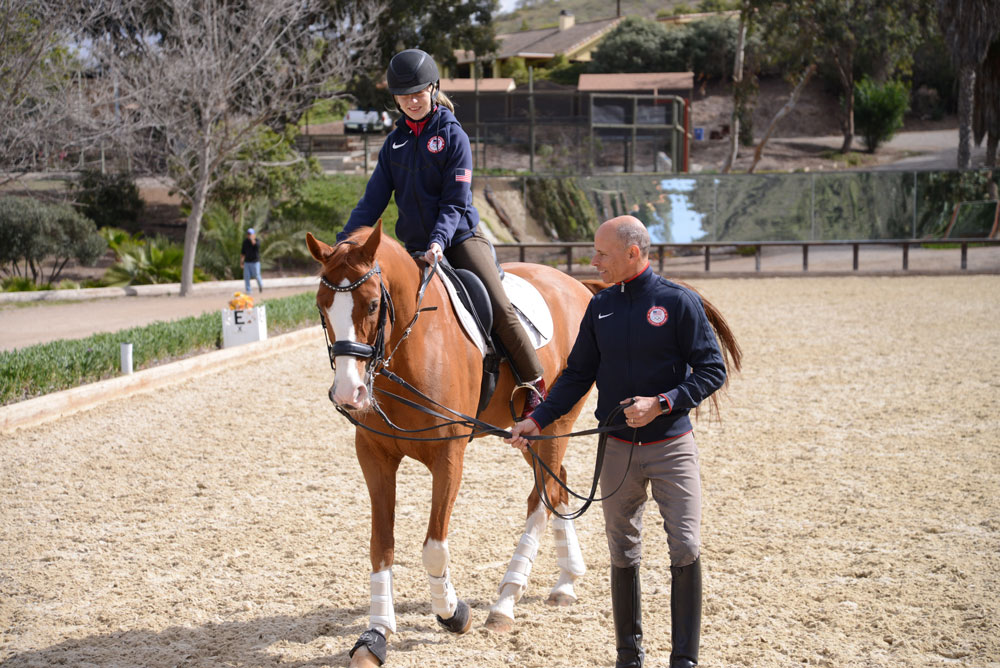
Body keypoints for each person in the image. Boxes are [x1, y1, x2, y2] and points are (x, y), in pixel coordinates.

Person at [505, 215, 727, 668]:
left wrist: (663, 403)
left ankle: (684, 659)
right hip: (618, 450)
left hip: (671, 446)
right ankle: (630, 656)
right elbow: (577, 374)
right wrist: (538, 419)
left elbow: (712, 370)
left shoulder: (678, 303)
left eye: (601, 254)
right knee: (622, 550)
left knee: (684, 545)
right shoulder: (600, 307)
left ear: (633, 253)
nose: (593, 261)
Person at [337, 48, 546, 415]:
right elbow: (371, 203)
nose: (412, 101)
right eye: (404, 96)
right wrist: (343, 244)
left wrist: (438, 241)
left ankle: (535, 384)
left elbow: (455, 201)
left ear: (433, 88)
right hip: (416, 247)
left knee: (498, 305)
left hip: (460, 240)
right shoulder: (394, 143)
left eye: (418, 93)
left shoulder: (453, 136)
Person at [240, 228, 263, 294]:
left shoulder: (257, 241)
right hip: (247, 262)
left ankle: (260, 285)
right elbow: (242, 253)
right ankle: (248, 290)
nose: (249, 235)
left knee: (256, 275)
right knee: (246, 276)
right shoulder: (245, 242)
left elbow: (256, 246)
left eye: (250, 234)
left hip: (255, 262)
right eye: (248, 234)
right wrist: (241, 262)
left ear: (254, 234)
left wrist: (252, 239)